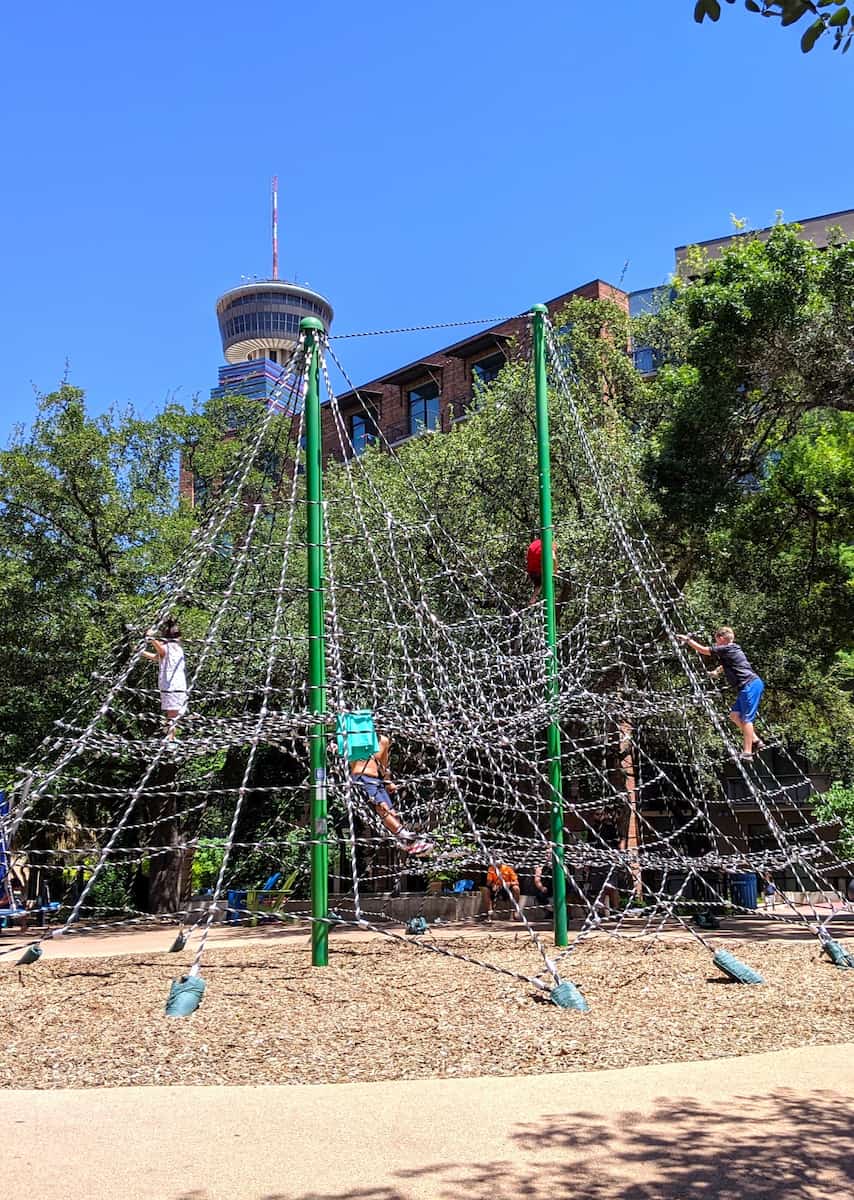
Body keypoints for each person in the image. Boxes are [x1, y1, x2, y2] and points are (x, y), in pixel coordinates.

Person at [677, 626, 765, 761]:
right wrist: (716, 672)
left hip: (750, 685)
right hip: (745, 687)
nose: (716, 643)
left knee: (746, 719)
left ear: (722, 638)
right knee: (735, 716)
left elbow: (704, 650)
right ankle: (756, 740)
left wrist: (688, 639)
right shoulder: (731, 650)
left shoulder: (728, 647)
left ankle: (747, 752)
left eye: (716, 640)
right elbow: (727, 665)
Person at [349, 734, 433, 856]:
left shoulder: (383, 741)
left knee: (392, 813)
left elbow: (383, 766)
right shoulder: (356, 735)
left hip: (376, 780)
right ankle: (405, 836)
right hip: (361, 777)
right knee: (382, 807)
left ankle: (406, 842)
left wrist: (388, 782)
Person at [141, 617, 187, 739]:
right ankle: (171, 736)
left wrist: (151, 638)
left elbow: (161, 652)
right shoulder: (177, 649)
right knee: (173, 711)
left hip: (172, 683)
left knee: (173, 711)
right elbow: (158, 656)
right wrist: (141, 652)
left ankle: (171, 736)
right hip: (174, 682)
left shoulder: (171, 648)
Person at [526, 537, 558, 604]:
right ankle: (541, 601)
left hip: (531, 571)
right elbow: (554, 558)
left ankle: (533, 599)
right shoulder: (548, 544)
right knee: (544, 582)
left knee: (538, 585)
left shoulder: (534, 543)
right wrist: (555, 571)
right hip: (540, 572)